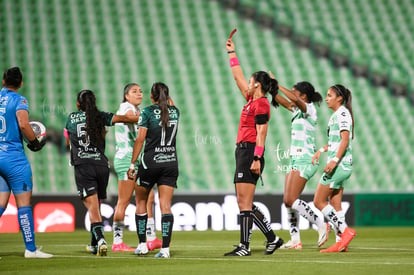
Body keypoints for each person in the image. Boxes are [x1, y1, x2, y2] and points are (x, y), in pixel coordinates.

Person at [223, 39, 283, 257]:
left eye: (251, 80)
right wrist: (232, 53)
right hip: (243, 151)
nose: (247, 82)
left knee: (244, 202)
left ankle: (244, 247)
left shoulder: (262, 104)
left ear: (257, 84)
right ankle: (273, 239)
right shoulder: (250, 99)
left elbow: (262, 133)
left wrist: (257, 158)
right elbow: (238, 77)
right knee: (243, 201)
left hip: (250, 152)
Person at [64, 89, 138, 256]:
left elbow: (67, 141)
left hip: (84, 166)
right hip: (102, 166)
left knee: (92, 208)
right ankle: (93, 245)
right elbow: (124, 119)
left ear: (78, 104)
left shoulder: (71, 118)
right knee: (95, 204)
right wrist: (142, 118)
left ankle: (101, 240)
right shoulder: (100, 116)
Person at [271, 76, 330, 250]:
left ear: (304, 96)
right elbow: (281, 100)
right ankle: (295, 240)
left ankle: (321, 223)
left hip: (306, 159)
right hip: (295, 159)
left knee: (291, 199)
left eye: (294, 91)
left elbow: (293, 99)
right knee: (287, 201)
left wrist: (279, 85)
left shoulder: (309, 109)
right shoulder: (296, 110)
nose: (291, 95)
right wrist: (270, 88)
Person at [0, 67, 52, 258]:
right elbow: (23, 124)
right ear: (21, 83)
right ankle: (30, 249)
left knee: (1, 203)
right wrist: (35, 142)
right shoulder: (19, 100)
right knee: (23, 204)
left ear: (3, 81)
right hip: (13, 158)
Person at [127, 82, 179, 259]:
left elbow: (140, 139)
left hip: (150, 163)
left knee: (141, 202)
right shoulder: (175, 112)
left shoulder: (147, 112)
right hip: (170, 162)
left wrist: (133, 164)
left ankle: (142, 245)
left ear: (151, 96)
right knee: (165, 206)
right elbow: (169, 104)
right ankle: (165, 249)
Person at [112, 83, 162, 252]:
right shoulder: (126, 107)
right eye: (134, 91)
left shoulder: (138, 109)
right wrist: (148, 117)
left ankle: (151, 238)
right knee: (124, 201)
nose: (139, 93)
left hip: (137, 160)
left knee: (148, 198)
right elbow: (129, 116)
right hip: (126, 160)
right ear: (126, 96)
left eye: (141, 91)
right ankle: (117, 242)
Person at [312, 84, 356, 253]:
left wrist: (334, 161)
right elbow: (335, 142)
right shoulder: (337, 115)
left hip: (339, 165)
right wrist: (321, 150)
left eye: (329, 95)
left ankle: (345, 231)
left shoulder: (342, 113)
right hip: (343, 165)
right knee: (335, 202)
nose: (326, 98)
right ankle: (340, 243)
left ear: (339, 98)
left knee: (318, 201)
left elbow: (345, 139)